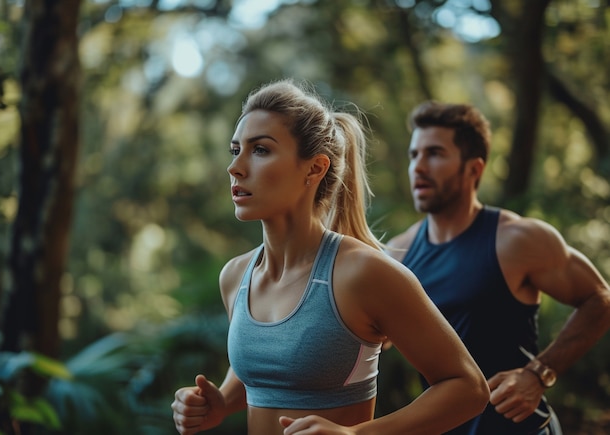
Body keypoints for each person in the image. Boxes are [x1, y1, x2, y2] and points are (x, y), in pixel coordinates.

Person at [171, 80, 489, 435]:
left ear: (314, 168)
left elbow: (468, 388)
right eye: (235, 150)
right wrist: (219, 404)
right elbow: (264, 373)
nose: (236, 167)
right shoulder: (235, 276)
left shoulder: (363, 273)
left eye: (260, 150)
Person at [386, 100, 610, 435]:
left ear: (474, 169)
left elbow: (600, 299)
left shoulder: (517, 239)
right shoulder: (397, 255)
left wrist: (538, 373)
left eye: (434, 153)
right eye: (414, 155)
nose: (418, 167)